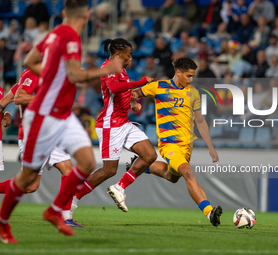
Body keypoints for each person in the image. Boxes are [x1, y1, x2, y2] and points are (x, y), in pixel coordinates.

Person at [0, 0, 123, 243]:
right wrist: (107, 70)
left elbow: (28, 61)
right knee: (28, 182)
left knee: (87, 162)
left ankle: (56, 211)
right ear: (87, 14)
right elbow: (75, 75)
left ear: (65, 11)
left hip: (63, 115)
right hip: (44, 117)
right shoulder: (71, 37)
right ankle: (3, 224)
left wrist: (49, 74)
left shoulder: (52, 35)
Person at [128, 57, 223, 227]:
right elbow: (134, 92)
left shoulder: (193, 92)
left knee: (172, 176)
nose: (191, 79)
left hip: (187, 146)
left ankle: (142, 165)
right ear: (178, 73)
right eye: (188, 75)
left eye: (193, 76)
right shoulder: (159, 87)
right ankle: (209, 212)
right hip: (169, 144)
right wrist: (134, 100)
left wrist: (211, 147)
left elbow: (200, 121)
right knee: (188, 172)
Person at [70, 38, 157, 218]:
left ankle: (119, 187)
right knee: (109, 170)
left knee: (150, 155)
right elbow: (115, 88)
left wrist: (132, 102)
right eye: (128, 54)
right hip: (110, 124)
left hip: (123, 122)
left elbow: (121, 92)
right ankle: (73, 198)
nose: (131, 58)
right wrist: (139, 82)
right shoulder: (107, 67)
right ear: (117, 54)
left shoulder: (121, 69)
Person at [0, 68, 80, 227]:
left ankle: (65, 218)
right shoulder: (34, 73)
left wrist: (4, 113)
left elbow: (7, 98)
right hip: (33, 133)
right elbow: (19, 98)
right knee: (30, 185)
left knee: (68, 170)